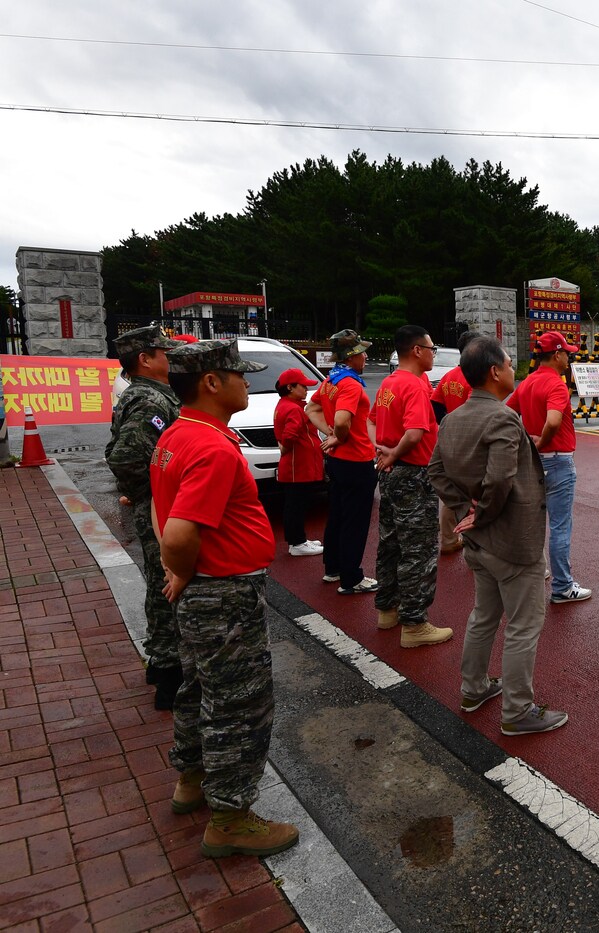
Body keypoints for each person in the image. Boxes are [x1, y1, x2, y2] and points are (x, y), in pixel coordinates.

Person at [151, 339, 300, 859]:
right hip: (223, 594)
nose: (245, 382)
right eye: (237, 374)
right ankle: (231, 817)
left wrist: (178, 572)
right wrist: (182, 566)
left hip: (200, 590)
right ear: (211, 383)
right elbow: (176, 532)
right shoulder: (212, 446)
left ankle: (191, 782)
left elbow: (159, 507)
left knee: (197, 689)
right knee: (239, 704)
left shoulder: (177, 433)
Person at [429, 337, 569, 735]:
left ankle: (473, 689)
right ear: (494, 372)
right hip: (513, 541)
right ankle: (517, 710)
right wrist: (482, 514)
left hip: (479, 544)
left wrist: (463, 510)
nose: (513, 370)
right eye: (509, 364)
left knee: (484, 616)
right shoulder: (504, 418)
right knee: (523, 625)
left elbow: (435, 471)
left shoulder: (452, 418)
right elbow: (501, 478)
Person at [105, 324, 183, 709]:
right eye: (162, 351)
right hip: (159, 509)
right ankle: (170, 674)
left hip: (156, 505)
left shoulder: (147, 395)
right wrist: (150, 495)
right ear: (145, 359)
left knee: (160, 584)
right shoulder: (150, 400)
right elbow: (124, 456)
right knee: (169, 584)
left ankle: (162, 663)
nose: (170, 356)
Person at [370, 325, 454, 649]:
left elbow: (374, 421)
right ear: (417, 350)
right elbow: (416, 432)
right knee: (418, 550)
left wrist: (384, 451)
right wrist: (395, 451)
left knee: (390, 543)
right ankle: (415, 623)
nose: (434, 353)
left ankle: (387, 610)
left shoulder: (388, 384)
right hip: (414, 474)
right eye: (432, 348)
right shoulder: (415, 386)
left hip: (390, 473)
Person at [507, 330, 592, 604]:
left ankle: (534, 572)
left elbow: (507, 413)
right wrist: (541, 441)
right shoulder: (556, 384)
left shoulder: (527, 382)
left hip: (534, 462)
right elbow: (554, 421)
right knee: (560, 526)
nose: (569, 357)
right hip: (557, 460)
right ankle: (563, 586)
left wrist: (527, 443)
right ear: (556, 355)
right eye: (566, 352)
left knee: (532, 521)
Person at [306, 330, 378, 596]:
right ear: (352, 356)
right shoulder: (350, 384)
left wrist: (329, 435)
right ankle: (352, 578)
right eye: (361, 352)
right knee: (354, 522)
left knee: (336, 515)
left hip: (337, 462)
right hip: (356, 461)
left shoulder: (330, 381)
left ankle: (333, 568)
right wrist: (336, 435)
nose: (366, 356)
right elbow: (341, 420)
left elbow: (311, 409)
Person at [431, 331, 479, 554]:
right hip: (469, 442)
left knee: (452, 493)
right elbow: (476, 413)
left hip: (449, 440)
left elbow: (436, 407)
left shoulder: (449, 376)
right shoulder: (474, 378)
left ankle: (449, 539)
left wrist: (446, 428)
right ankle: (474, 544)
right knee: (473, 495)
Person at [272, 368, 324, 558]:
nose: (306, 390)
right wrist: (285, 447)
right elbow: (289, 435)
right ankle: (297, 542)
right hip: (298, 465)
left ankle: (299, 539)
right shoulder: (293, 408)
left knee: (295, 504)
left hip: (297, 465)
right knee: (296, 505)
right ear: (290, 387)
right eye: (302, 386)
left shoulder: (284, 404)